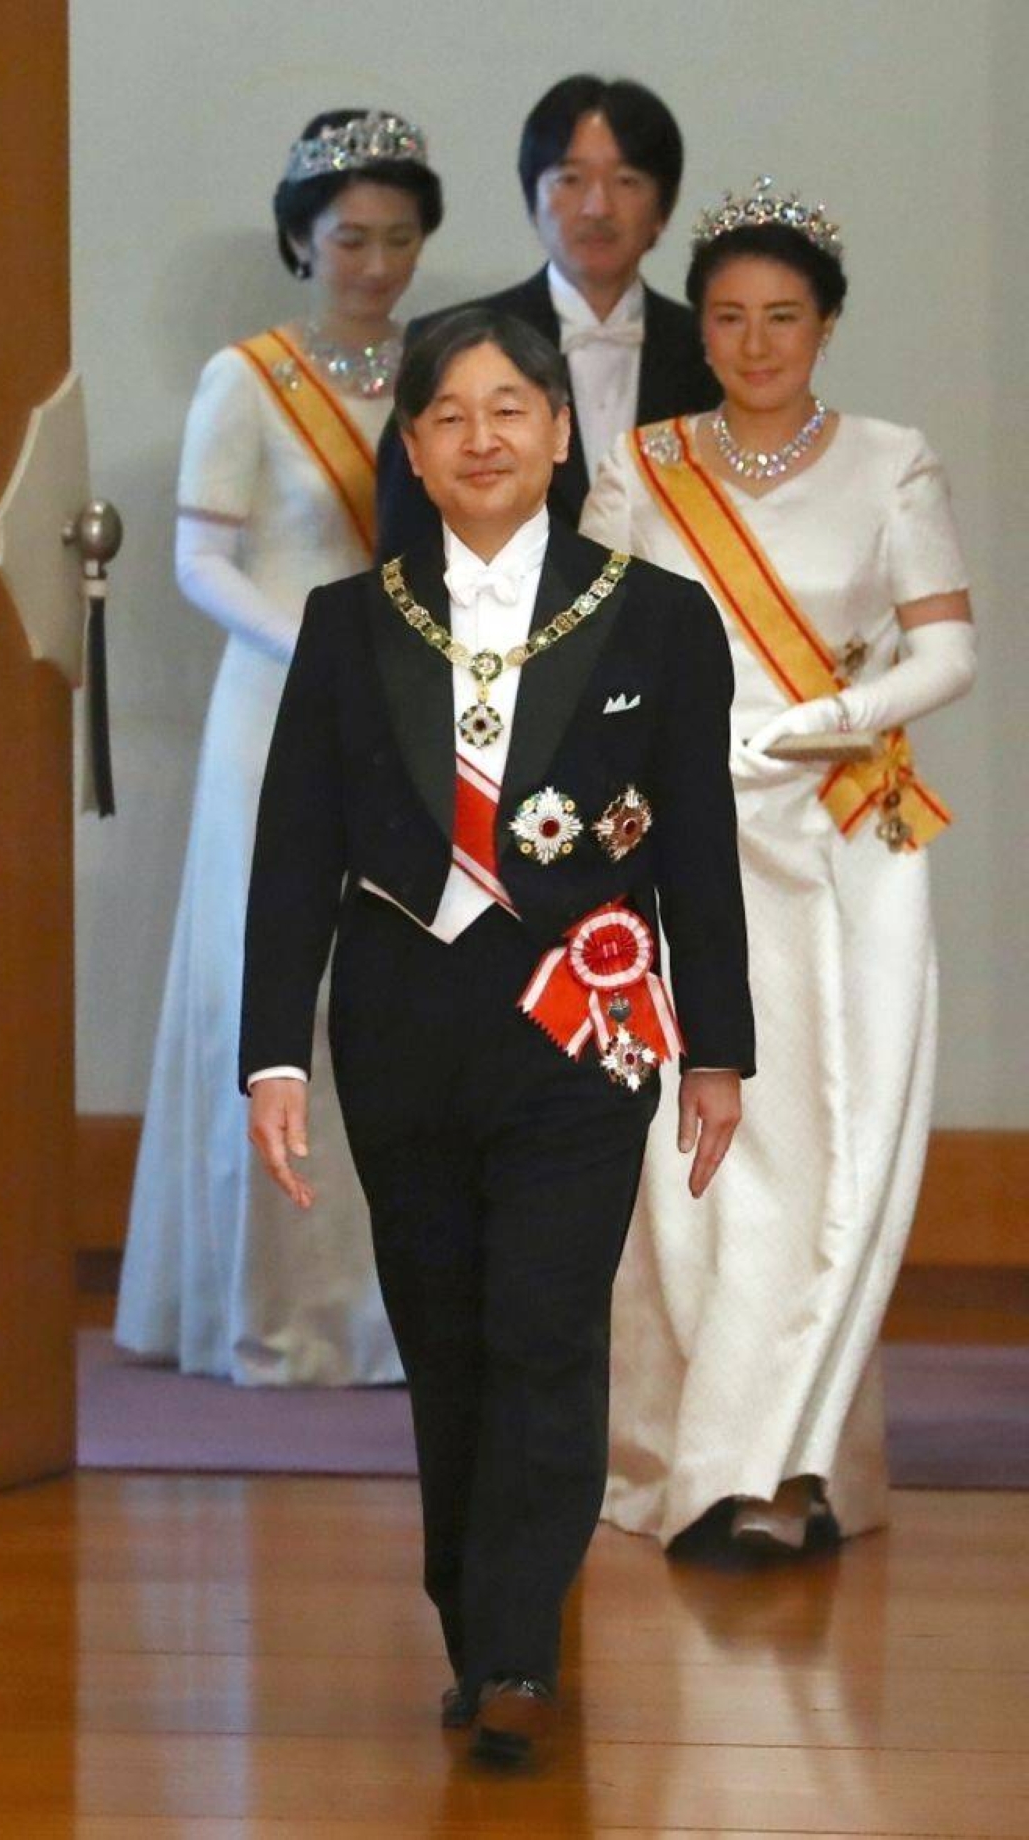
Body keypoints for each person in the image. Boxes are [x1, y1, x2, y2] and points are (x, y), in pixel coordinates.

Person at [241, 308, 753, 1761]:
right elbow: (295, 852)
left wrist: (718, 1047)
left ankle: (522, 1652)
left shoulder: (656, 617)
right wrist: (273, 1053)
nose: (483, 438)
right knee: (447, 1335)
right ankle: (475, 1626)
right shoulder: (351, 621)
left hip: (579, 1027)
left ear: (560, 431)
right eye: (450, 415)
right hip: (402, 1024)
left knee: (546, 1324)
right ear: (411, 447)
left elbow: (699, 850)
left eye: (511, 407)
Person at [581, 178, 977, 1554]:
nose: (756, 344)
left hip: (840, 838)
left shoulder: (891, 461)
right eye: (731, 318)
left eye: (785, 318)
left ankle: (791, 1466)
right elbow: (589, 641)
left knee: (829, 1148)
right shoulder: (644, 466)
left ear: (827, 324)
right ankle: (698, 1463)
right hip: (678, 844)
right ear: (702, 326)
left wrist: (838, 718)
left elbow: (948, 646)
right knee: (690, 1164)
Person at [114, 111, 443, 1382]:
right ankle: (269, 1307)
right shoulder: (245, 380)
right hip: (277, 709)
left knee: (397, 991)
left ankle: (387, 1311)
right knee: (273, 991)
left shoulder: (444, 370)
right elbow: (201, 559)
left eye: (400, 238)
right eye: (351, 238)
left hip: (413, 712)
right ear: (301, 240)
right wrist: (318, 648)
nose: (376, 263)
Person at [375, 73, 718, 559]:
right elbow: (406, 542)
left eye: (626, 181)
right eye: (569, 180)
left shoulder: (712, 349)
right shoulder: (449, 343)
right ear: (532, 199)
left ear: (664, 208)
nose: (597, 207)